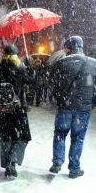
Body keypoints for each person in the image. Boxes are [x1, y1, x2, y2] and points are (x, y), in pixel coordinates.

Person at [49, 36, 96, 179]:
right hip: (83, 109)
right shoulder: (92, 64)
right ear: (81, 46)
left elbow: (53, 85)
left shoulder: (61, 63)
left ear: (69, 48)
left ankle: (57, 161)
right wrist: (91, 103)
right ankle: (74, 168)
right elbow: (92, 86)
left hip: (65, 107)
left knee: (60, 134)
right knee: (78, 139)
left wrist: (59, 100)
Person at [0, 45, 34, 178]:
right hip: (17, 108)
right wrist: (31, 70)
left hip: (3, 109)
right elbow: (32, 82)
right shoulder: (20, 69)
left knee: (5, 136)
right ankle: (13, 161)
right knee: (23, 135)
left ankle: (7, 164)